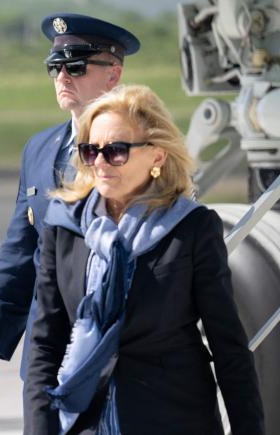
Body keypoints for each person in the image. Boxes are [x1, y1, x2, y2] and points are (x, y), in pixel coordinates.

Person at [24, 84, 265, 434]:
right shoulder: (64, 227)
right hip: (82, 422)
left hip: (172, 420)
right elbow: (45, 344)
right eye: (91, 151)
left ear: (157, 156)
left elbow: (229, 347)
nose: (101, 163)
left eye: (116, 151)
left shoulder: (191, 229)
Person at [0, 13, 139, 385]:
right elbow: (21, 247)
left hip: (120, 344)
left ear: (113, 74)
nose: (62, 77)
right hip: (48, 346)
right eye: (55, 67)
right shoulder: (39, 149)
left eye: (76, 66)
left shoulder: (140, 149)